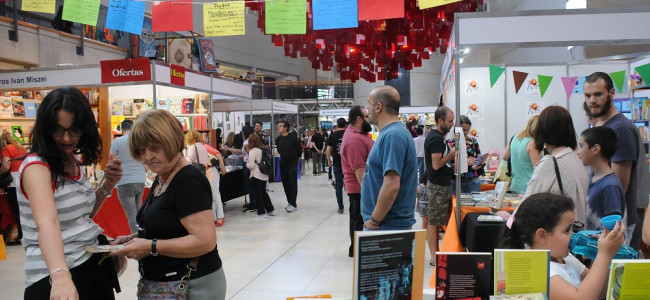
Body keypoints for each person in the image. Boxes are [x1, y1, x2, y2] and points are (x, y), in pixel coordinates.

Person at [19, 87, 123, 299]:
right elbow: (48, 223)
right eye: (58, 130)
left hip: (90, 264)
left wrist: (107, 186)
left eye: (74, 130)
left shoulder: (71, 160)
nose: (66, 138)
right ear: (46, 129)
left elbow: (82, 215)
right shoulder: (37, 167)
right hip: (55, 273)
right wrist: (59, 275)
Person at [111, 109, 226, 299]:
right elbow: (170, 226)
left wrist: (150, 246)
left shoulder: (187, 180)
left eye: (155, 148)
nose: (148, 157)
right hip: (170, 285)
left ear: (170, 142)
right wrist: (134, 239)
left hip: (192, 286)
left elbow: (205, 241)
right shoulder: (164, 175)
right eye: (142, 150)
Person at [502, 193, 624, 300]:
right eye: (567, 230)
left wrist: (606, 255)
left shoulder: (565, 258)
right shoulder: (538, 270)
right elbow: (581, 298)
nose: (572, 234)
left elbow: (599, 290)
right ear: (542, 235)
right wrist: (604, 255)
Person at [584, 72, 642, 247]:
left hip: (614, 224)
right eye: (588, 95)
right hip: (602, 221)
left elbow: (619, 184)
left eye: (598, 94)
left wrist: (608, 226)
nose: (592, 100)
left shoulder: (620, 129)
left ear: (611, 93)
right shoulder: (602, 126)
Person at [510, 106, 589, 227]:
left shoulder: (549, 163)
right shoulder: (576, 159)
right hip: (575, 231)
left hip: (553, 234)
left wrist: (510, 221)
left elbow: (527, 205)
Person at [361, 85, 418, 231]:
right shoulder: (391, 133)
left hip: (387, 226)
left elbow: (392, 185)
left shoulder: (393, 136)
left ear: (378, 107)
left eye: (369, 103)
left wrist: (374, 220)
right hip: (386, 224)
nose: (367, 108)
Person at [425, 106, 457, 265]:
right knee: (434, 222)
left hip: (440, 184)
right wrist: (453, 154)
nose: (452, 124)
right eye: (450, 121)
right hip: (437, 185)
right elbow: (436, 165)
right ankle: (434, 257)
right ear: (440, 121)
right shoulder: (436, 138)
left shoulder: (438, 137)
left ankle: (436, 254)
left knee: (436, 221)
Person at [577, 127, 626, 231]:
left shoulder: (610, 186)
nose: (578, 151)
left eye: (581, 146)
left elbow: (613, 229)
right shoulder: (592, 176)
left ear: (595, 149)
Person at [341, 106, 374, 257]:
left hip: (359, 188)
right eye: (367, 116)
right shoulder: (354, 140)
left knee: (357, 218)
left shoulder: (359, 135)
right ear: (359, 119)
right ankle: (357, 250)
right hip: (359, 188)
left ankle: (356, 249)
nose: (370, 119)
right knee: (358, 219)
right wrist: (370, 192)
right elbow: (359, 171)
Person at [110, 120, 146, 234]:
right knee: (139, 212)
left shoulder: (118, 141)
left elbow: (111, 160)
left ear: (122, 130)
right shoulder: (139, 141)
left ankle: (138, 239)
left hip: (125, 180)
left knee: (131, 214)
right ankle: (143, 236)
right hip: (140, 179)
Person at [0, 130, 27, 245]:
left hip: (13, 183)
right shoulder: (22, 148)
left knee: (17, 211)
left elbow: (6, 166)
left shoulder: (6, 148)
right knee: (25, 210)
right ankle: (25, 235)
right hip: (25, 180)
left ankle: (21, 236)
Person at [502, 115, 541, 194]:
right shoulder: (532, 143)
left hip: (515, 185)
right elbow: (539, 168)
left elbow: (505, 157)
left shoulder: (515, 137)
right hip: (529, 188)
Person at [448, 115, 485, 193]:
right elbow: (448, 164)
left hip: (473, 180)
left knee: (475, 203)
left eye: (468, 130)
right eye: (463, 130)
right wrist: (464, 163)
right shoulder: (451, 143)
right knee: (456, 204)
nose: (466, 133)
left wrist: (478, 165)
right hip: (456, 180)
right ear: (457, 129)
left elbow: (479, 158)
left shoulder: (473, 141)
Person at [275, 121, 302, 212]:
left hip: (292, 163)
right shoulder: (278, 139)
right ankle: (290, 202)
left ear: (285, 128)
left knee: (292, 183)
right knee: (285, 183)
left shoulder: (293, 138)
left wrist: (296, 161)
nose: (278, 127)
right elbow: (279, 150)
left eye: (280, 126)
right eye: (278, 126)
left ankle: (293, 203)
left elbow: (299, 151)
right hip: (283, 163)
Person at [246, 133, 275, 218]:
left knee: (258, 194)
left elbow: (251, 165)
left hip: (256, 174)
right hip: (264, 173)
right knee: (263, 192)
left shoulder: (252, 151)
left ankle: (261, 212)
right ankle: (270, 209)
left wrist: (247, 165)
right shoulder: (262, 149)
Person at [327, 118, 346, 214]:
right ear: (346, 125)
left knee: (338, 186)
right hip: (348, 165)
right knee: (351, 186)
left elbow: (328, 151)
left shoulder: (333, 135)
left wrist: (329, 161)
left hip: (337, 164)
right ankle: (354, 206)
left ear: (337, 125)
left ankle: (340, 207)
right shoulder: (349, 134)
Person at [205, 143, 227, 226]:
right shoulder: (202, 147)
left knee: (215, 195)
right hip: (208, 171)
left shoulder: (204, 147)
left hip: (211, 171)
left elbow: (217, 153)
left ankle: (220, 217)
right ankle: (215, 217)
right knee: (212, 195)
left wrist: (222, 167)